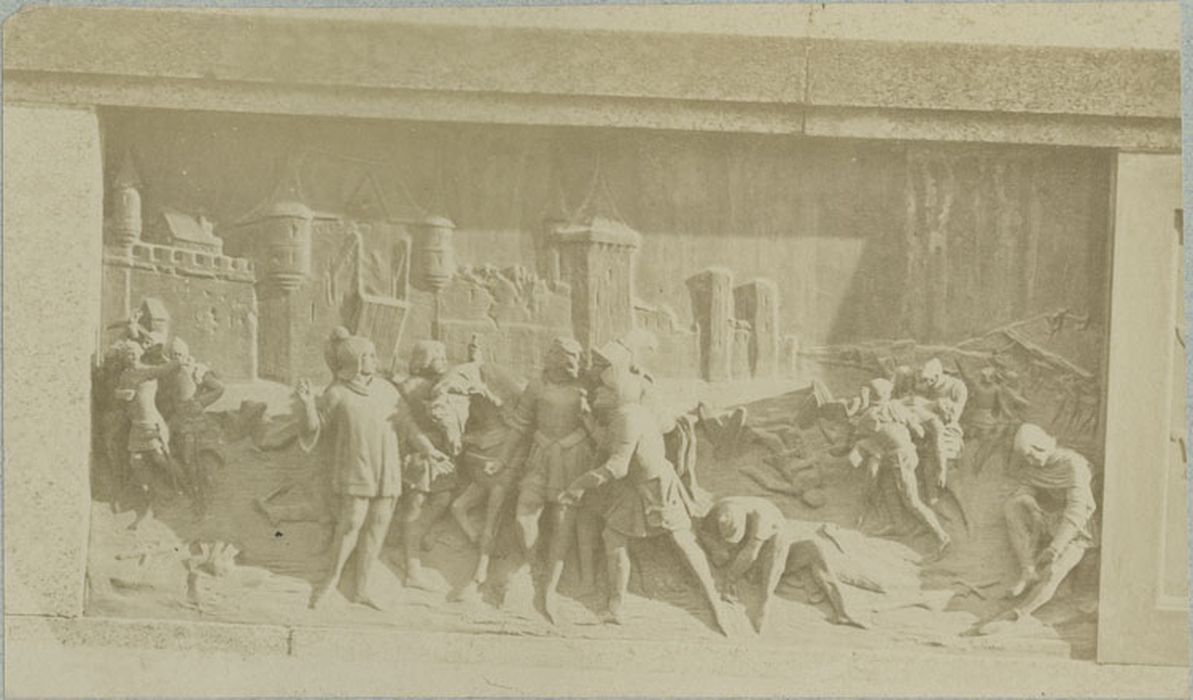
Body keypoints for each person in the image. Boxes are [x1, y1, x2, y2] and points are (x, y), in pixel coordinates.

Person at [558, 364, 732, 635]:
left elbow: (618, 466)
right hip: (634, 489)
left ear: (619, 392)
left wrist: (578, 485)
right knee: (613, 537)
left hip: (657, 488)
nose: (599, 391)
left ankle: (715, 603)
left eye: (604, 387)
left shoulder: (629, 417)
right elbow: (610, 443)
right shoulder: (623, 415)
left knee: (683, 542)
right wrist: (589, 423)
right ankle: (615, 608)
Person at [492, 337, 599, 621]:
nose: (569, 361)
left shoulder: (585, 386)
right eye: (562, 354)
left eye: (572, 356)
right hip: (540, 457)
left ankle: (550, 588)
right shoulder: (536, 386)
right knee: (523, 516)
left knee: (563, 523)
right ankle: (534, 567)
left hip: (573, 459)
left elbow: (600, 424)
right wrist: (502, 459)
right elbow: (520, 424)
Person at [297, 327, 401, 610]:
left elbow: (408, 424)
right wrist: (307, 405)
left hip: (387, 467)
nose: (374, 359)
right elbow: (315, 429)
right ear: (354, 361)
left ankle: (362, 588)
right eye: (367, 355)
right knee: (352, 523)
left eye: (372, 354)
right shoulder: (337, 393)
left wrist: (429, 450)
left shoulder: (388, 390)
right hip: (357, 466)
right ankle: (331, 579)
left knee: (378, 526)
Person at [976, 423, 1096, 635]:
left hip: (1077, 530)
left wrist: (1056, 547)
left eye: (1033, 455)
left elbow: (1078, 509)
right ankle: (1027, 569)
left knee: (1053, 571)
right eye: (1027, 458)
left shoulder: (1073, 465)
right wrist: (1027, 499)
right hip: (1050, 520)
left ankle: (1017, 615)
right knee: (1013, 506)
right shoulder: (1038, 467)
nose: (1031, 462)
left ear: (1043, 447)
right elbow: (1026, 487)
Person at [699, 496, 870, 631]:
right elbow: (702, 532)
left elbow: (751, 553)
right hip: (744, 555)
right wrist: (715, 548)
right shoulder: (721, 510)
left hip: (767, 555)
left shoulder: (763, 517)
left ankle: (842, 611)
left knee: (813, 547)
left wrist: (730, 578)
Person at [392, 340, 459, 591]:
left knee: (443, 498)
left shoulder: (437, 384)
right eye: (438, 356)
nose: (444, 360)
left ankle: (417, 537)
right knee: (415, 506)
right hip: (420, 450)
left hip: (439, 451)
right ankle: (411, 566)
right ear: (425, 359)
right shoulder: (413, 386)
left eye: (444, 356)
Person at [108, 338, 185, 529]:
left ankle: (184, 486)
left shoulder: (148, 371)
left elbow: (167, 368)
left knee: (160, 458)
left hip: (152, 423)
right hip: (137, 425)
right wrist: (122, 394)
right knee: (136, 461)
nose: (131, 357)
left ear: (139, 353)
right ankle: (151, 494)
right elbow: (117, 392)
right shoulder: (126, 374)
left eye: (133, 353)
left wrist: (180, 359)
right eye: (127, 355)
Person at [157, 337, 226, 516]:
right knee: (170, 458)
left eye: (179, 354)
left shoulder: (196, 370)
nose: (176, 357)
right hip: (176, 422)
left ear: (186, 355)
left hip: (194, 425)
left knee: (192, 463)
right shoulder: (166, 372)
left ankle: (200, 503)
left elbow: (219, 389)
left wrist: (201, 402)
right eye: (172, 354)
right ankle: (184, 495)